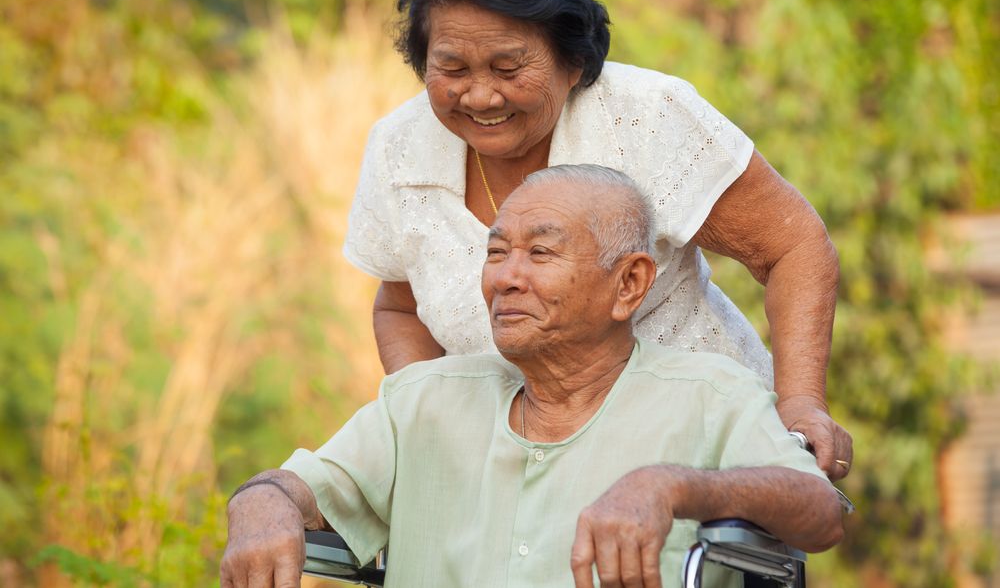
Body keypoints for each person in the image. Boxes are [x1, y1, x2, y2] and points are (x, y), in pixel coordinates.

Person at [343, 0, 852, 480]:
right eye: (452, 68)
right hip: (516, 481)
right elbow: (400, 306)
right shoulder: (399, 149)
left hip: (704, 462)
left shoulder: (645, 117)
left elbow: (792, 244)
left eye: (509, 69)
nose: (481, 95)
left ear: (575, 59)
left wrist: (801, 403)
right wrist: (430, 429)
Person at [221, 166, 844, 588]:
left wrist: (677, 487)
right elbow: (296, 487)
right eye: (496, 252)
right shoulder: (423, 401)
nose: (506, 277)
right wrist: (262, 502)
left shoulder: (710, 397)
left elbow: (821, 514)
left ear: (628, 284)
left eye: (540, 253)